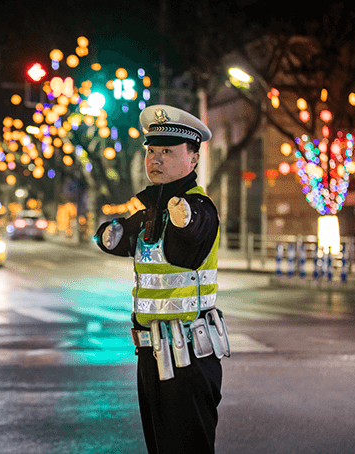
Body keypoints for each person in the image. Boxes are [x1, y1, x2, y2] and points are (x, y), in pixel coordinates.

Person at [94, 104, 229, 454]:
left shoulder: (200, 206)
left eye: (167, 151)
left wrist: (184, 218)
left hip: (189, 355)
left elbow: (193, 234)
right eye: (152, 151)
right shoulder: (149, 212)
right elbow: (118, 238)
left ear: (193, 158)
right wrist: (110, 234)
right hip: (150, 352)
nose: (155, 159)